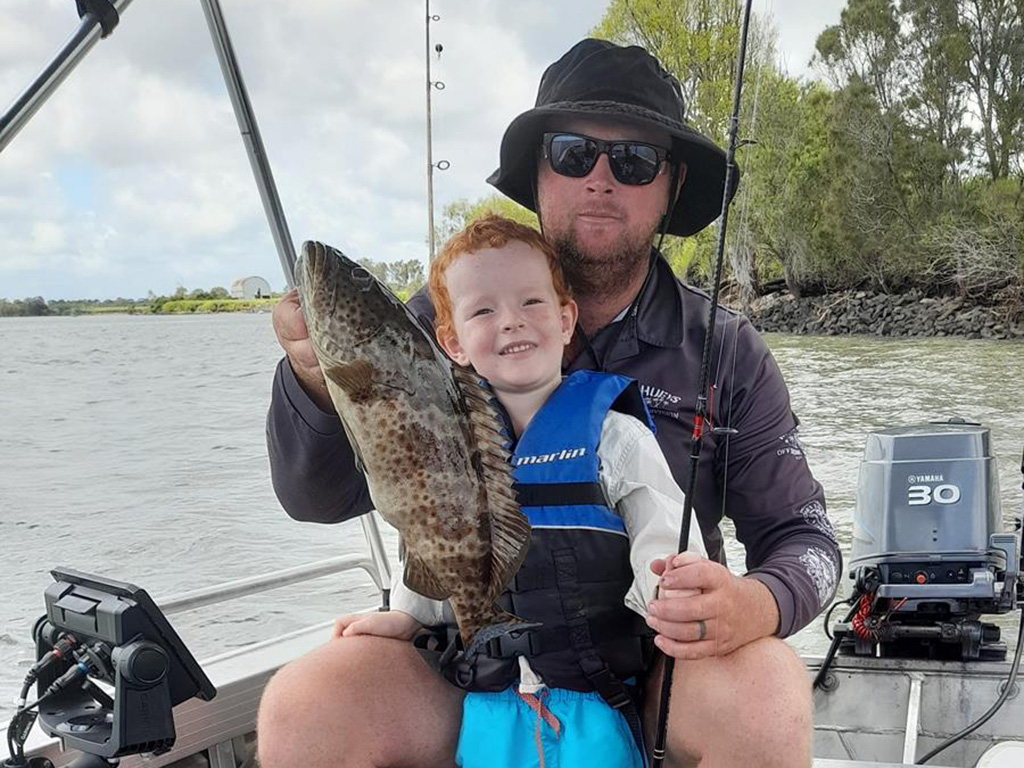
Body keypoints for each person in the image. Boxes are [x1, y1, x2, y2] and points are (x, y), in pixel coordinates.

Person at [260, 38, 840, 768]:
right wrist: (317, 375)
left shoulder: (727, 351)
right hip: (468, 660)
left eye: (633, 161)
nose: (601, 179)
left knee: (764, 691)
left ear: (671, 184)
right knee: (306, 706)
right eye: (573, 153)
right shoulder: (433, 328)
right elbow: (315, 497)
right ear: (538, 172)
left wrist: (755, 605)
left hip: (659, 668)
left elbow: (808, 542)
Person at [342, 213, 706, 768]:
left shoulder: (616, 435)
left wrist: (674, 592)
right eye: (483, 310)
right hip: (489, 703)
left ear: (565, 321)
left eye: (531, 303)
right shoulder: (445, 445)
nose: (511, 322)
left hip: (596, 701)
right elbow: (431, 534)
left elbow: (663, 527)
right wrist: (409, 614)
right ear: (453, 342)